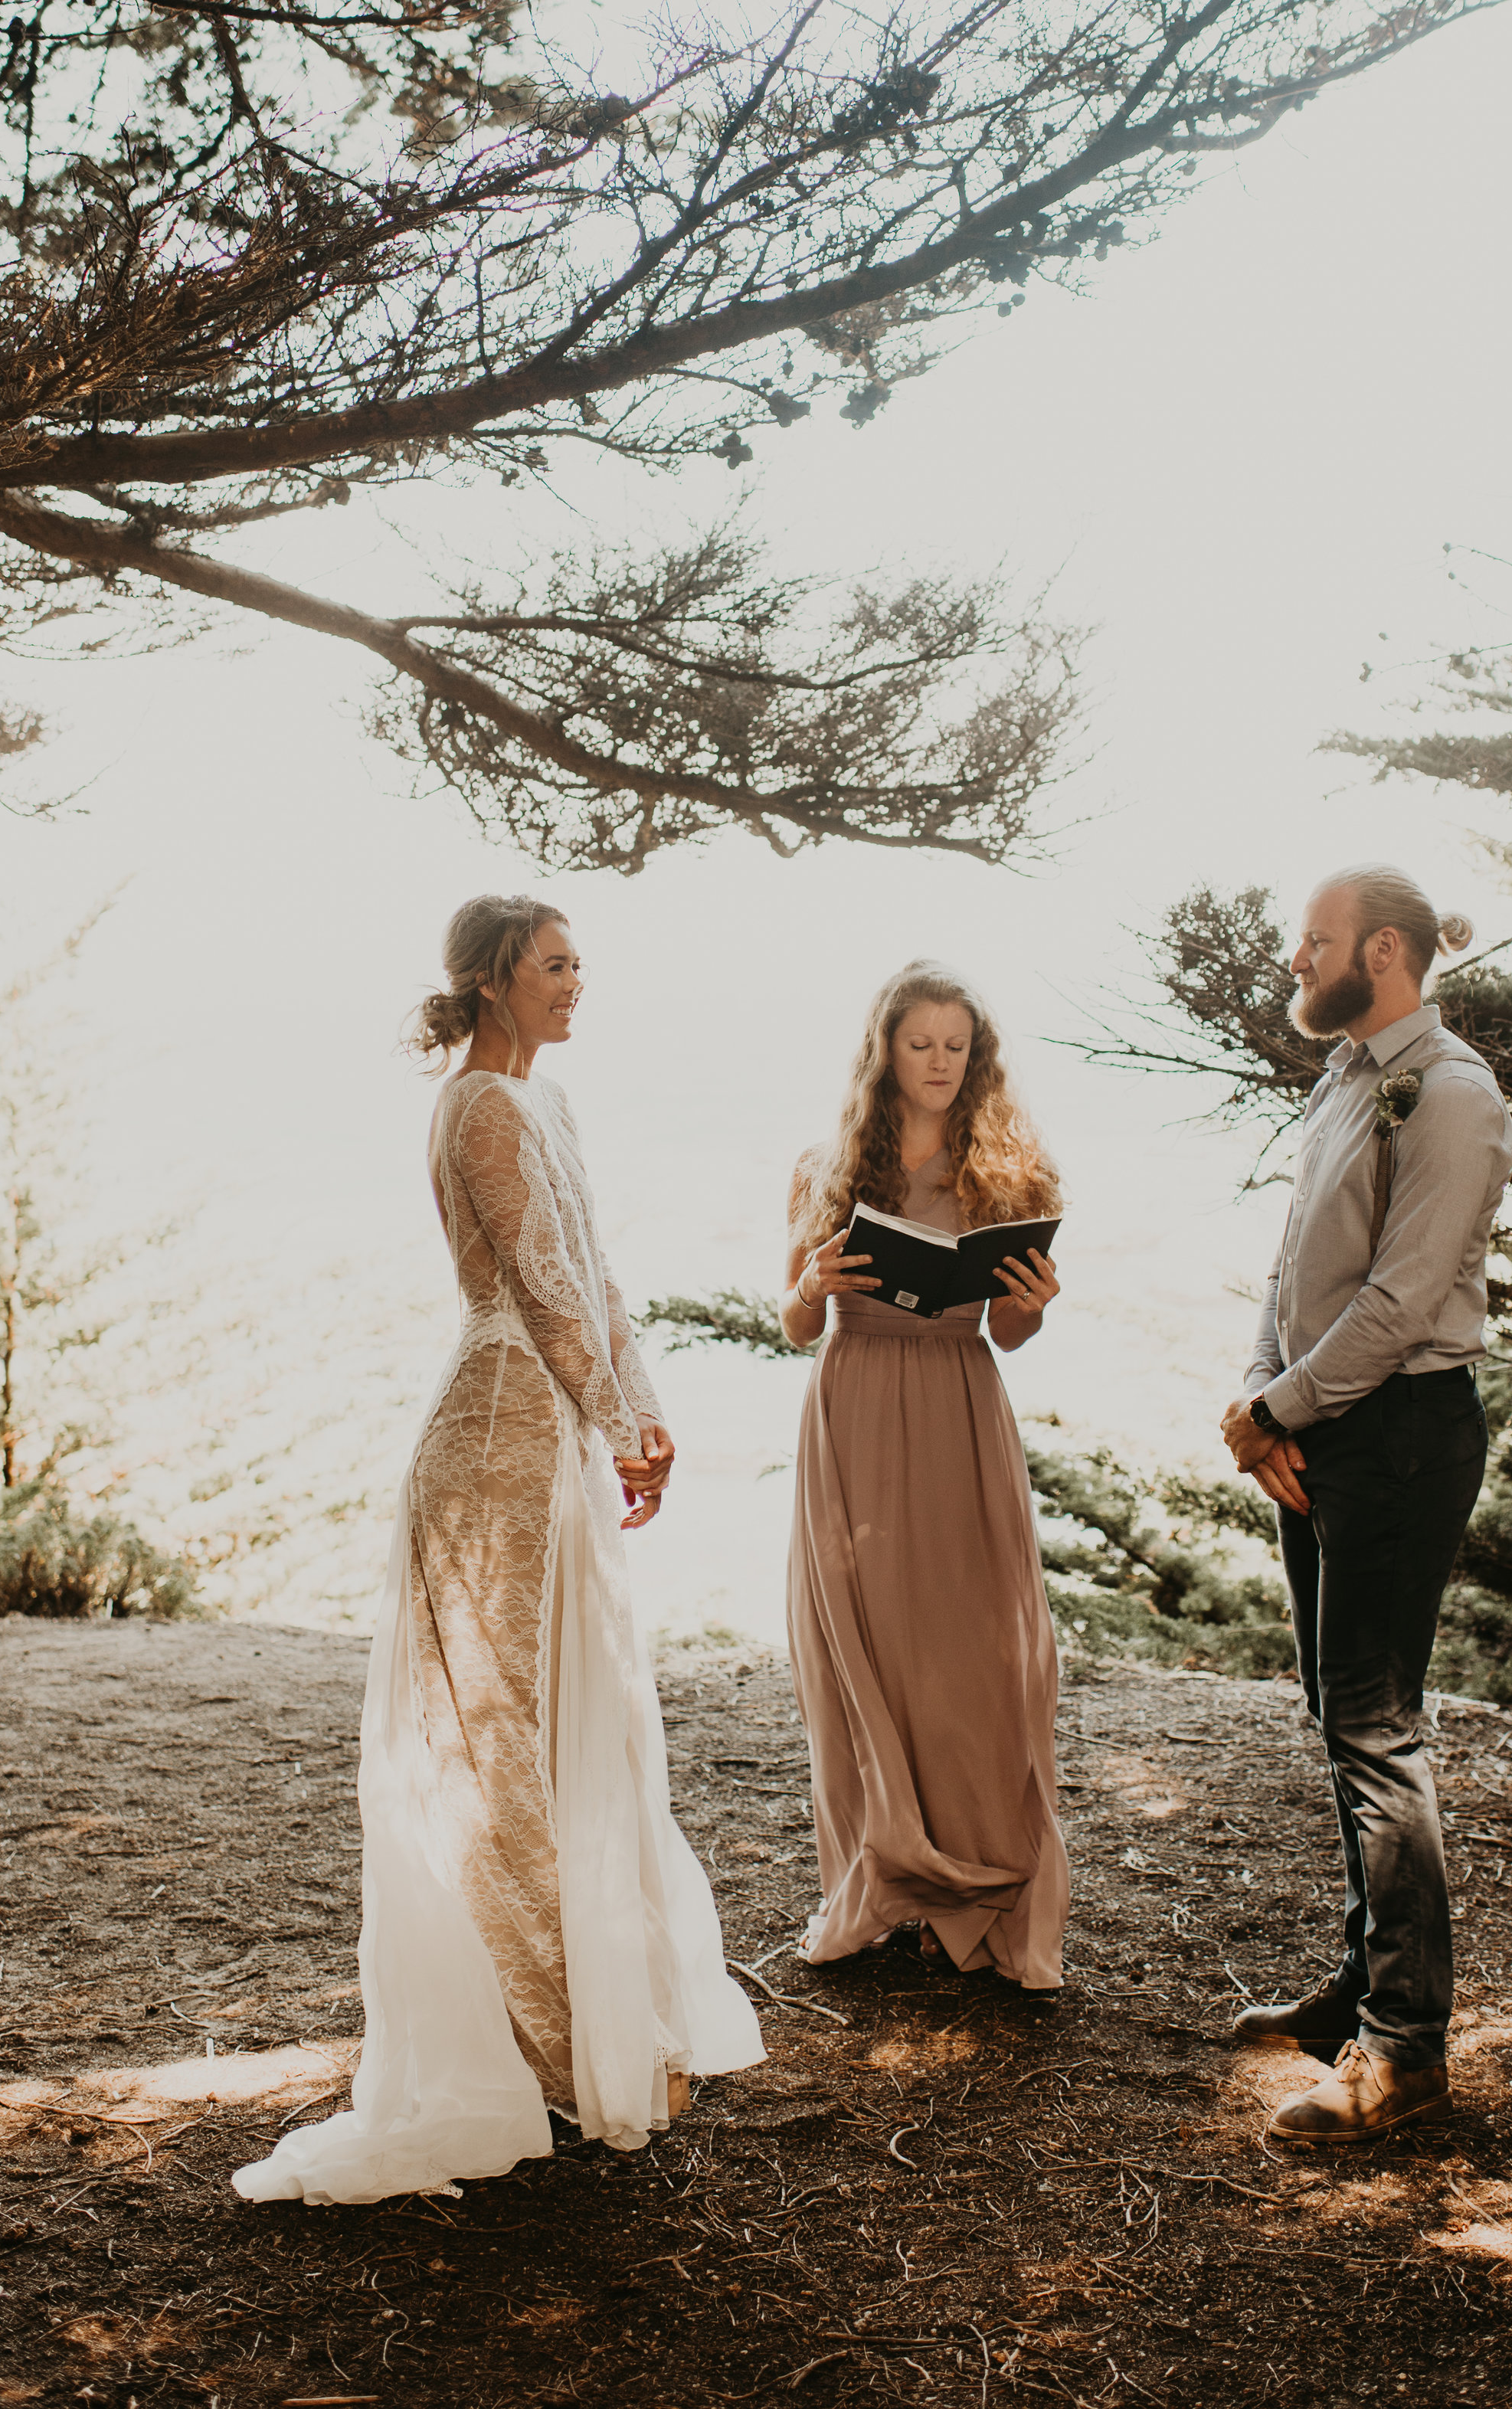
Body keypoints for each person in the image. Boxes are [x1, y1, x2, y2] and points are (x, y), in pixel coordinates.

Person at [235, 897, 762, 2207]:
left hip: (563, 1435)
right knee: (496, 1728)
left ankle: (594, 2018)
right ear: (488, 982)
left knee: (579, 1716)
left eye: (581, 960)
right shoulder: (478, 1106)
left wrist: (644, 1420)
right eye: (553, 964)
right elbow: (536, 1282)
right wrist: (610, 1415)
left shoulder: (550, 1106)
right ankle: (535, 2032)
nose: (578, 981)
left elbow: (600, 1279)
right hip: (493, 1438)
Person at [1221, 867, 1512, 2145]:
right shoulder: (1347, 1073)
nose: (1297, 957)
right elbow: (1296, 1271)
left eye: (1318, 942)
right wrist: (1261, 1398)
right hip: (1323, 1425)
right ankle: (1364, 1984)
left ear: (1382, 951)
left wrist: (1280, 1410)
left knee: (1379, 1728)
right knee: (1342, 1715)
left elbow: (1398, 1306)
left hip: (1399, 1434)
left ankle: (1409, 2049)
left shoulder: (1450, 1095)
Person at [781, 961, 1069, 1988]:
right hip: (853, 1404)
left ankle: (979, 1880)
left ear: (975, 1054)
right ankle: (878, 1875)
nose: (940, 1062)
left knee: (971, 1654)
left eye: (957, 1045)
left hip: (957, 1405)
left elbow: (1014, 1332)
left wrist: (1033, 1297)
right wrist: (810, 1281)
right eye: (921, 1044)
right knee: (860, 1652)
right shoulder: (826, 1165)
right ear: (886, 1052)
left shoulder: (1006, 1168)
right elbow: (795, 1320)